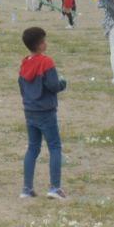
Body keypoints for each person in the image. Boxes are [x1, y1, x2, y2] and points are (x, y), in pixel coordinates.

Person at [18, 26, 67, 199]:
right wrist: (63, 83)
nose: (46, 44)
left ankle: (27, 188)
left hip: (30, 110)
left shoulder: (25, 62)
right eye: (44, 41)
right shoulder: (46, 62)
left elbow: (21, 85)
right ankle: (55, 188)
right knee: (54, 147)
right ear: (40, 45)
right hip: (46, 111)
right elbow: (53, 85)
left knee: (33, 147)